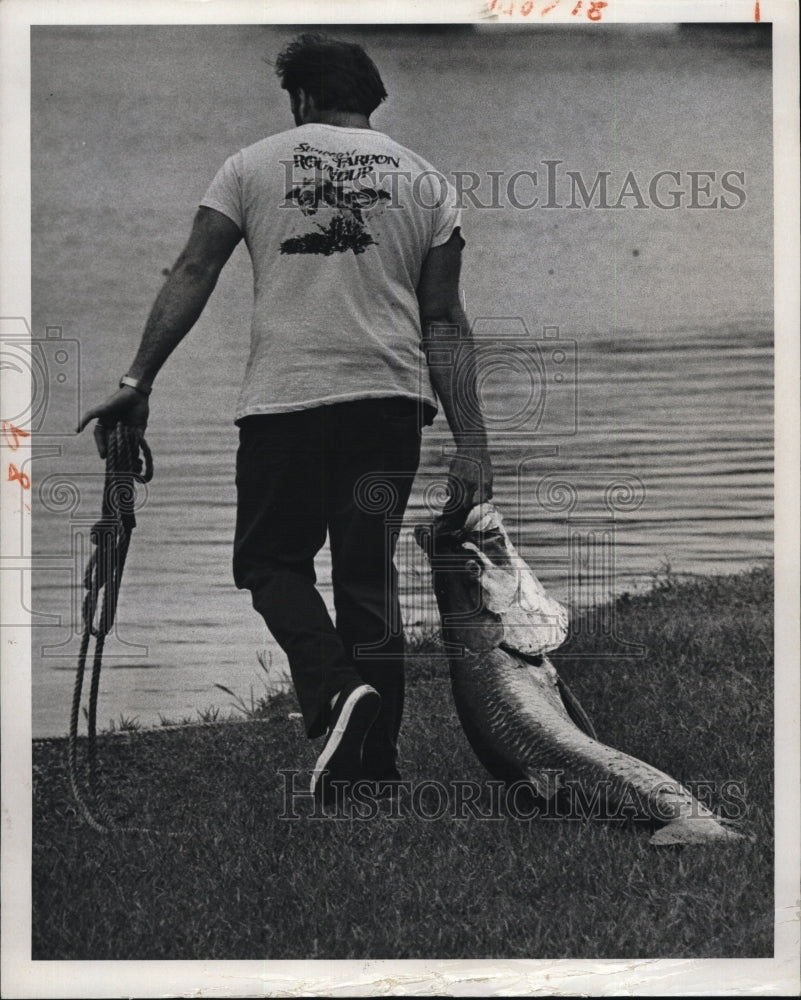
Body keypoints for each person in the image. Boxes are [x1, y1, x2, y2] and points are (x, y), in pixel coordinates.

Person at [77, 33, 493, 804]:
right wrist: (472, 442)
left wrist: (138, 379)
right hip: (390, 406)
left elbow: (194, 270)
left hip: (286, 405)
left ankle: (336, 694)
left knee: (270, 565)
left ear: (299, 98)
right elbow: (445, 318)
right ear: (371, 97)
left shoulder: (249, 165)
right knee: (366, 581)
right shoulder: (428, 181)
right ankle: (373, 775)